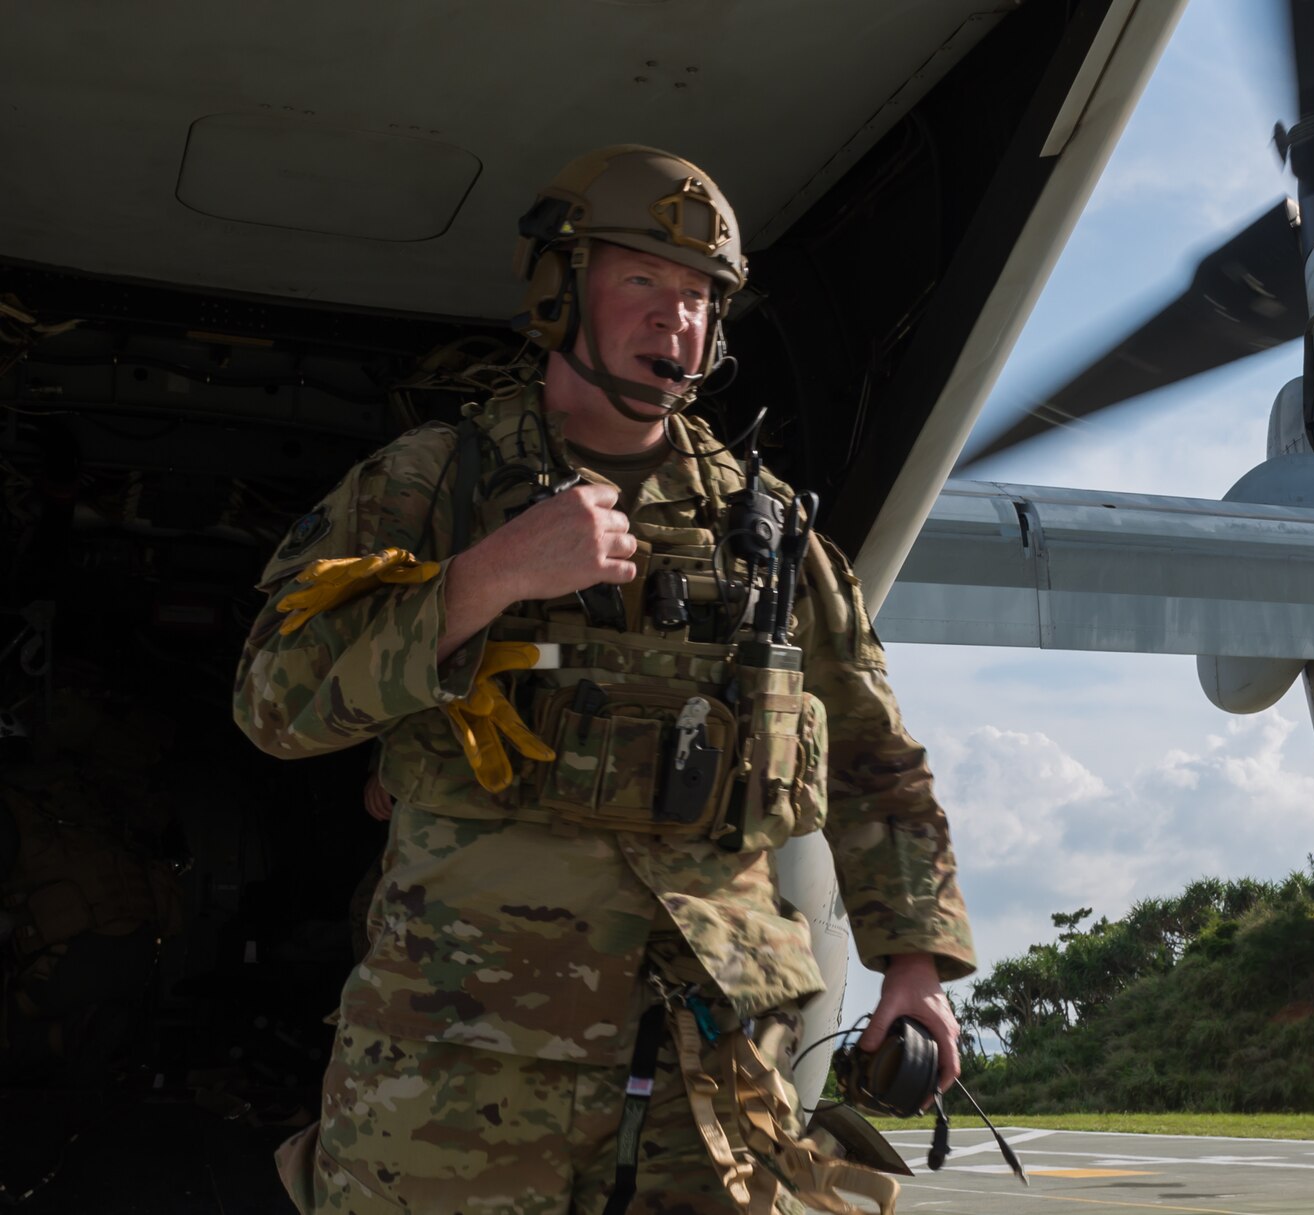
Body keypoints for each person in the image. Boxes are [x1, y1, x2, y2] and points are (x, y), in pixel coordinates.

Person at [233, 145, 975, 1214]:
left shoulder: (766, 526)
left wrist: (913, 964)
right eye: (642, 283)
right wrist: (486, 578)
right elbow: (273, 703)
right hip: (461, 1064)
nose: (675, 319)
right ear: (559, 289)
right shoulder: (433, 481)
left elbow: (872, 755)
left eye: (698, 298)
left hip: (712, 1069)